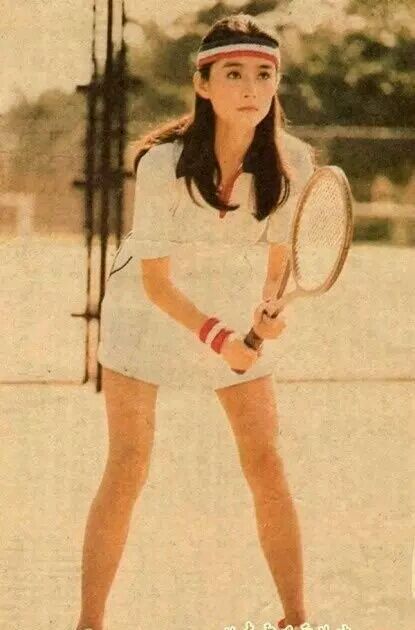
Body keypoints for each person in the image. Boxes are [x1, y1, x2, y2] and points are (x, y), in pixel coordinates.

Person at [76, 13, 315, 630]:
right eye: (233, 74)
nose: (251, 88)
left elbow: (279, 267)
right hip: (146, 311)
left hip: (229, 307)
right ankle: (89, 624)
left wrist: (267, 314)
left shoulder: (294, 162)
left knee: (266, 461)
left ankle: (297, 620)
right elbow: (157, 284)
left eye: (264, 74)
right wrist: (222, 339)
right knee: (128, 463)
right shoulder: (161, 164)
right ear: (203, 84)